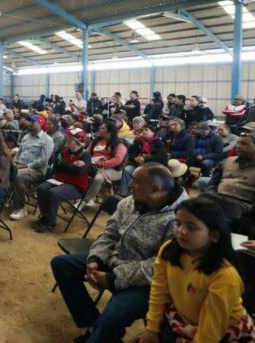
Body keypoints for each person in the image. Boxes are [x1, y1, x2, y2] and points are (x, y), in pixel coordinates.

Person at [51, 163, 187, 343]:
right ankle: (93, 326)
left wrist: (112, 279)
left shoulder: (180, 219)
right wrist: (96, 260)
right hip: (115, 261)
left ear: (155, 189)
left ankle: (100, 332)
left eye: (136, 182)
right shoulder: (129, 202)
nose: (130, 185)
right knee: (62, 265)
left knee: (112, 317)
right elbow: (110, 233)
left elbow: (160, 266)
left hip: (147, 283)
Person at [137, 198, 255, 342]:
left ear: (214, 236)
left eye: (191, 227)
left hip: (224, 331)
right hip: (184, 318)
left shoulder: (225, 276)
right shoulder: (169, 250)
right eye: (178, 223)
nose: (181, 231)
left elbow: (211, 329)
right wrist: (151, 327)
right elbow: (158, 289)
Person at [33, 130, 91, 232]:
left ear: (77, 141)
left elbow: (79, 171)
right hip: (59, 180)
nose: (67, 140)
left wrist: (64, 166)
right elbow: (56, 168)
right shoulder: (64, 153)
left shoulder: (85, 155)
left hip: (76, 186)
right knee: (41, 188)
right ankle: (45, 216)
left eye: (70, 139)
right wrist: (72, 166)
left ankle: (50, 221)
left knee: (53, 193)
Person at [9, 115, 54, 220]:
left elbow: (43, 160)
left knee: (18, 175)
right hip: (20, 165)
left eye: (33, 122)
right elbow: (19, 153)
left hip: (37, 170)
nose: (29, 123)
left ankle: (20, 208)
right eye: (29, 121)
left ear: (40, 123)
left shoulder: (47, 140)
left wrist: (23, 166)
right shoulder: (26, 137)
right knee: (1, 167)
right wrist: (14, 163)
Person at [78, 121, 128, 210]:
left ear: (109, 131)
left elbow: (117, 160)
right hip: (94, 165)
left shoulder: (119, 144)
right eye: (100, 127)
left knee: (98, 178)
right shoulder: (97, 140)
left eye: (102, 128)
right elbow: (88, 152)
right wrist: (85, 160)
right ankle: (83, 195)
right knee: (78, 168)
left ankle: (85, 200)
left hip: (113, 169)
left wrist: (101, 164)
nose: (99, 129)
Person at [197, 132, 255, 205]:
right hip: (218, 198)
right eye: (238, 143)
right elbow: (213, 183)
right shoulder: (227, 161)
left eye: (244, 144)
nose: (238, 146)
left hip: (241, 205)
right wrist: (211, 197)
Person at [120, 125, 168, 197]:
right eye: (142, 130)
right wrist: (135, 158)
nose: (144, 132)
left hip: (152, 168)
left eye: (146, 130)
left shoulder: (158, 143)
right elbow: (131, 153)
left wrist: (145, 159)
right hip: (138, 165)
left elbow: (161, 158)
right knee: (127, 169)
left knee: (144, 176)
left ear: (153, 132)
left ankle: (140, 196)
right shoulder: (138, 141)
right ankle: (123, 194)